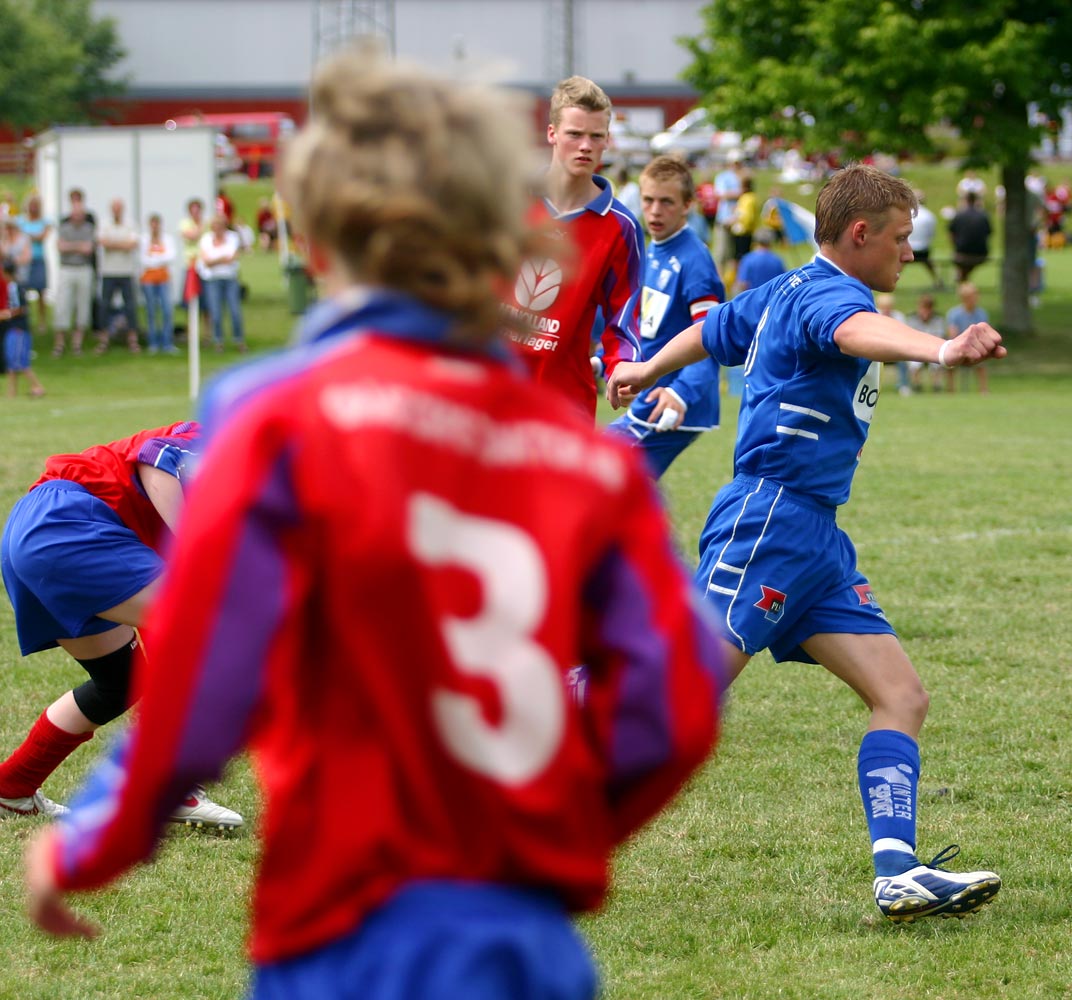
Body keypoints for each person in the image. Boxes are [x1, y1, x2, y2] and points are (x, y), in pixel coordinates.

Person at [22, 50, 723, 999]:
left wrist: (102, 836)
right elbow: (676, 690)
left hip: (338, 921)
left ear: (315, 249)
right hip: (525, 940)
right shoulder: (590, 467)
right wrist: (569, 831)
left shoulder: (272, 413)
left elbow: (212, 662)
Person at [607, 164, 1006, 924]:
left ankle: (898, 872)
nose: (907, 254)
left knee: (901, 696)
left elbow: (712, 327)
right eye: (899, 239)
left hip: (816, 537)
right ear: (860, 235)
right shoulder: (831, 296)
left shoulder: (783, 288)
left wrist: (649, 364)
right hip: (770, 521)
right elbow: (856, 332)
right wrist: (942, 350)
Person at [0, 421, 239, 827]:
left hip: (42, 531)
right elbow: (157, 459)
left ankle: (12, 786)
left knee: (119, 682)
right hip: (70, 524)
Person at [500, 74, 643, 418]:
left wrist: (623, 364)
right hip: (492, 390)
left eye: (596, 136)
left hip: (563, 404)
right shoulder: (508, 198)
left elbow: (623, 316)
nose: (585, 145)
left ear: (607, 141)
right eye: (574, 134)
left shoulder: (619, 227)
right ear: (552, 134)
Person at [607, 156, 726, 478]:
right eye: (648, 200)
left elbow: (709, 335)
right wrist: (610, 362)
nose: (655, 210)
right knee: (617, 491)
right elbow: (650, 330)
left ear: (688, 204)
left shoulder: (694, 260)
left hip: (672, 401)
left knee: (601, 472)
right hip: (653, 393)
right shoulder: (652, 250)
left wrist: (681, 392)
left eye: (666, 202)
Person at [53, 189, 96, 359]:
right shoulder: (64, 226)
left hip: (83, 269)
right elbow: (60, 247)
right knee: (63, 305)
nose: (77, 216)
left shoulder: (88, 227)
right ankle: (59, 343)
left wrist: (71, 246)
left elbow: (88, 249)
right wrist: (77, 246)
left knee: (82, 305)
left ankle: (77, 344)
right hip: (67, 268)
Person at [96, 198, 142, 355]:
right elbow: (103, 243)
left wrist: (113, 243)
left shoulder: (131, 224)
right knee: (104, 306)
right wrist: (122, 244)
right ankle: (103, 340)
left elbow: (133, 244)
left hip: (126, 272)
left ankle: (133, 340)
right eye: (114, 208)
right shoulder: (104, 223)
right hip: (108, 272)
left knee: (130, 306)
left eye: (118, 208)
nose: (116, 211)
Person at [198, 213, 245, 352]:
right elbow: (206, 262)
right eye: (215, 226)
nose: (217, 229)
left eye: (220, 226)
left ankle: (239, 340)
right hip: (212, 280)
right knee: (216, 312)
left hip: (230, 278)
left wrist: (216, 260)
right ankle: (218, 341)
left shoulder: (233, 237)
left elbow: (233, 258)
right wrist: (222, 258)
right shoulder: (206, 239)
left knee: (235, 310)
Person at [3, 259, 45, 397]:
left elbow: (20, 308)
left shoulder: (15, 287)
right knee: (11, 361)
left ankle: (37, 386)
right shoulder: (10, 286)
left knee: (20, 361)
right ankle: (11, 392)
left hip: (19, 329)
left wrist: (6, 314)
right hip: (11, 329)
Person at [139, 214, 178, 355]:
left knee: (167, 310)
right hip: (148, 279)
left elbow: (171, 256)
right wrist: (159, 260)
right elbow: (143, 260)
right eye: (152, 223)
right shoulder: (144, 239)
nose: (155, 226)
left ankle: (167, 342)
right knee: (151, 311)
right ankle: (153, 343)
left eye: (157, 223)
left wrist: (154, 259)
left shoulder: (167, 239)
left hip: (164, 279)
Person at [945, 280, 990, 394]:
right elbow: (952, 335)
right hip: (959, 347)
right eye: (973, 296)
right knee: (949, 362)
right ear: (964, 298)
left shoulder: (981, 313)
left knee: (981, 362)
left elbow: (984, 334)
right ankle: (951, 391)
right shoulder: (954, 314)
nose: (976, 298)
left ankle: (983, 390)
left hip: (975, 348)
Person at [17, 195, 51, 337]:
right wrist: (32, 235)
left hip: (38, 259)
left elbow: (41, 237)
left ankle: (42, 321)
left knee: (40, 291)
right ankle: (25, 319)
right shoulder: (20, 220)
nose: (33, 207)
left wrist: (27, 234)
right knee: (22, 290)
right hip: (24, 260)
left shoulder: (44, 221)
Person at [904, 293, 947, 393]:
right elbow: (910, 337)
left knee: (937, 361)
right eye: (923, 308)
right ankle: (916, 385)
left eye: (928, 309)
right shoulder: (912, 319)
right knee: (914, 363)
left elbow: (939, 337)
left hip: (934, 349)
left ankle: (937, 386)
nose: (925, 312)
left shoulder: (938, 320)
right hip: (916, 349)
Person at [947, 191, 991, 283]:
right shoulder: (983, 216)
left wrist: (956, 246)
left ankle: (962, 279)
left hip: (962, 252)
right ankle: (963, 279)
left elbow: (951, 234)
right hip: (981, 253)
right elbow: (988, 234)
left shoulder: (959, 215)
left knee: (962, 266)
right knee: (965, 268)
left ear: (965, 200)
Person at [908, 189, 942, 289]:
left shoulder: (907, 214)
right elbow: (931, 234)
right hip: (923, 249)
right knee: (929, 264)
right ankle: (938, 281)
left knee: (899, 265)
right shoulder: (929, 215)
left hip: (909, 248)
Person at [734, 228, 786, 294]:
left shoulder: (748, 259)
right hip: (771, 298)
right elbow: (783, 281)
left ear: (755, 241)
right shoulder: (777, 260)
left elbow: (742, 283)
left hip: (754, 298)